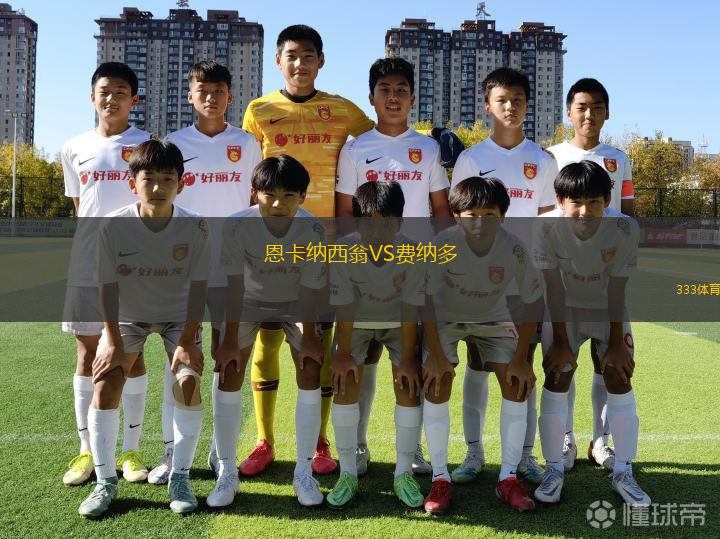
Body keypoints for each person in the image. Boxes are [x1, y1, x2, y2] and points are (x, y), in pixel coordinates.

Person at [78, 139, 211, 517]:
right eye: (148, 178)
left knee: (188, 381)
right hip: (129, 316)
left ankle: (180, 477)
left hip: (178, 316)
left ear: (181, 183)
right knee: (106, 381)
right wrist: (111, 341)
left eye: (167, 178)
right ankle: (106, 482)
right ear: (132, 182)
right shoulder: (113, 225)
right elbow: (107, 286)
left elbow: (199, 286)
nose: (157, 186)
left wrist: (188, 340)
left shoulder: (196, 225)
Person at [144, 60, 262, 485]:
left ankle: (219, 451)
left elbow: (255, 203)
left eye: (219, 90)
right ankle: (172, 452)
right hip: (182, 270)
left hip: (233, 271)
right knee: (179, 361)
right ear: (190, 95)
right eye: (203, 90)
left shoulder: (247, 143)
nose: (211, 97)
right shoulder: (175, 143)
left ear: (230, 96)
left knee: (226, 360)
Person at [334, 57, 451, 475]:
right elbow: (345, 212)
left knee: (410, 361)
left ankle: (412, 449)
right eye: (385, 90)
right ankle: (357, 445)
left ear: (413, 97)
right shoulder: (355, 148)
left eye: (402, 89)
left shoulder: (428, 148)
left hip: (415, 272)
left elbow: (441, 210)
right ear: (372, 98)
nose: (394, 97)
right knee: (362, 359)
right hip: (366, 271)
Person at [449, 67, 556, 485]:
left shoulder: (543, 161)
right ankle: (474, 452)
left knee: (521, 364)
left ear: (528, 105)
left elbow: (546, 224)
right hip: (477, 283)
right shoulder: (471, 159)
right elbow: (460, 219)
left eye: (517, 100)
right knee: (477, 363)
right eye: (501, 100)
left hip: (523, 282)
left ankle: (525, 456)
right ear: (487, 106)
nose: (510, 107)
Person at [420, 176, 543, 514]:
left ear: (502, 215)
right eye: (471, 214)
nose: (480, 222)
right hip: (444, 319)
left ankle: (508, 478)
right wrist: (436, 355)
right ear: (456, 215)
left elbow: (533, 301)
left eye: (489, 214)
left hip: (493, 318)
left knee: (517, 383)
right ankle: (441, 478)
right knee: (437, 380)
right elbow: (424, 298)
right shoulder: (442, 244)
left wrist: (521, 358)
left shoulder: (514, 247)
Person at [532, 160, 650, 508]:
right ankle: (554, 468)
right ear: (560, 201)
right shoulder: (544, 227)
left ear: (607, 200)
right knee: (557, 373)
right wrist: (561, 344)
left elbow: (617, 288)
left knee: (618, 373)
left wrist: (615, 344)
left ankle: (623, 472)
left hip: (606, 308)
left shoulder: (624, 228)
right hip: (563, 309)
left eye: (594, 202)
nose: (585, 212)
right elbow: (553, 287)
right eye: (576, 203)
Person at [215, 155, 327, 507]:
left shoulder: (314, 230)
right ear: (254, 193)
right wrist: (229, 341)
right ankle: (226, 472)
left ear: (303, 196)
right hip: (248, 301)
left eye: (289, 195)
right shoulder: (236, 225)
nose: (279, 204)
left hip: (295, 302)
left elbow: (309, 289)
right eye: (270, 195)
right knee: (229, 368)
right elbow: (233, 287)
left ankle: (303, 472)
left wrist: (310, 338)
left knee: (311, 364)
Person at [61, 62, 151, 487]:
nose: (111, 98)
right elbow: (81, 207)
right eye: (104, 91)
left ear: (134, 99)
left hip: (138, 264)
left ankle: (131, 450)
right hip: (88, 262)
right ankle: (87, 451)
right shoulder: (73, 147)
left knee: (132, 355)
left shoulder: (149, 145)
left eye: (120, 91)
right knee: (86, 354)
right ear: (91, 97)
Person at [547, 78, 635, 470]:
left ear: (607, 113)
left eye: (597, 107)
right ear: (569, 112)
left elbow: (627, 212)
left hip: (605, 279)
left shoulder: (619, 157)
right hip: (563, 282)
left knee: (608, 365)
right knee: (560, 364)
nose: (589, 114)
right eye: (581, 107)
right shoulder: (550, 156)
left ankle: (601, 441)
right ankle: (564, 438)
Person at [326, 181, 428, 509]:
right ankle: (347, 473)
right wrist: (343, 355)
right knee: (344, 381)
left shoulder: (414, 252)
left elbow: (410, 308)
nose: (377, 232)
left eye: (387, 224)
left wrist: (409, 359)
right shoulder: (342, 251)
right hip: (356, 323)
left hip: (399, 324)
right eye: (368, 224)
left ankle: (403, 473)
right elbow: (344, 307)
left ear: (400, 223)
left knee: (408, 384)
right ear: (356, 223)